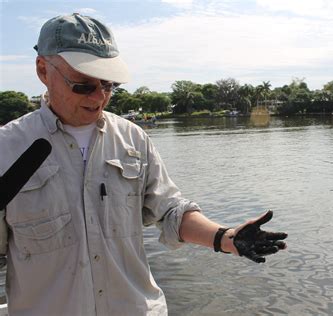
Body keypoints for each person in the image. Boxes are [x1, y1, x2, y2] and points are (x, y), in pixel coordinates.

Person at [0, 13, 287, 315]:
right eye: (83, 85)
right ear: (43, 70)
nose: (99, 96)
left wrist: (225, 237)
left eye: (108, 84)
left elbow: (171, 211)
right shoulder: (7, 148)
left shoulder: (132, 139)